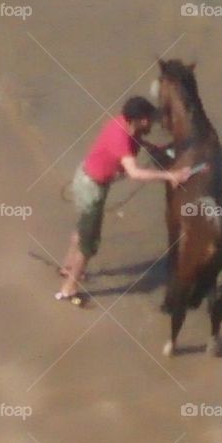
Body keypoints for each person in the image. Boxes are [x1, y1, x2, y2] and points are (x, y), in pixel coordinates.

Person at [56, 96, 196, 304]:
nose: (152, 123)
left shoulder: (122, 121)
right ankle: (68, 289)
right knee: (89, 244)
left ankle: (67, 267)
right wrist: (171, 176)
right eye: (149, 120)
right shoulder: (120, 138)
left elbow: (134, 140)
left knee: (83, 226)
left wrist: (153, 147)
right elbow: (134, 173)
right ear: (139, 120)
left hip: (84, 178)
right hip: (92, 189)